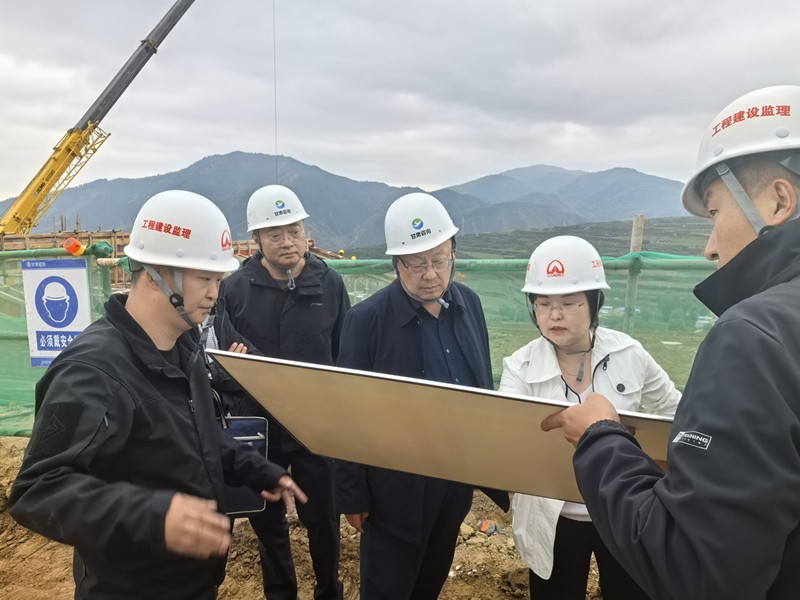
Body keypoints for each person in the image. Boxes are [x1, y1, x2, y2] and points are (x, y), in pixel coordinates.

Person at [541, 85, 800, 599]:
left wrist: (601, 437)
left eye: (714, 213)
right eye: (545, 303)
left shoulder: (752, 337)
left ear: (778, 200)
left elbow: (695, 568)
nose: (708, 248)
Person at [8, 190, 306, 600]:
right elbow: (38, 489)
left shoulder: (184, 346)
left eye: (218, 280)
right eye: (204, 278)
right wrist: (154, 516)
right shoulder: (92, 371)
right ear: (153, 275)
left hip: (193, 584)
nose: (215, 293)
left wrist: (256, 469)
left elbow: (196, 436)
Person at [336, 192, 509, 600]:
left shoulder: (469, 305)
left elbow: (481, 384)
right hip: (394, 492)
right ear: (396, 264)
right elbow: (347, 411)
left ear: (453, 254)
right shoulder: (367, 321)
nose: (430, 274)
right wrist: (353, 493)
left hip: (455, 481)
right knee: (388, 588)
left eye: (440, 260)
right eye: (416, 264)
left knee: (431, 579)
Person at [499, 235, 680, 600]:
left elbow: (676, 411)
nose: (555, 315)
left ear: (595, 302)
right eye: (543, 303)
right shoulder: (520, 367)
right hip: (554, 517)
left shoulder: (630, 354)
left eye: (569, 303)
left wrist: (660, 462)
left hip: (624, 509)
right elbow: (508, 440)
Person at [220, 184, 348, 600]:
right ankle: (280, 593)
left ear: (306, 233)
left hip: (315, 422)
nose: (288, 242)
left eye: (294, 231)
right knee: (267, 520)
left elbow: (344, 352)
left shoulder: (329, 284)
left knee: (324, 517)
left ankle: (328, 590)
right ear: (256, 240)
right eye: (275, 234)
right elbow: (220, 356)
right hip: (257, 421)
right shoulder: (235, 289)